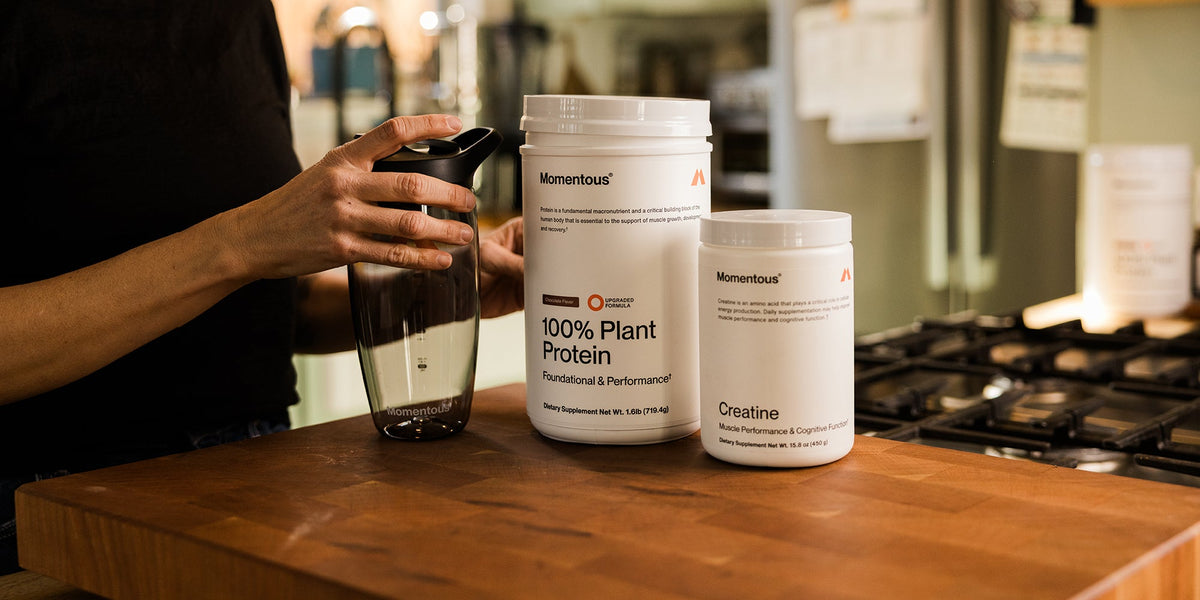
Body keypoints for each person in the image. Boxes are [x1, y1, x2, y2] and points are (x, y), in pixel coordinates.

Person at [0, 1, 524, 574]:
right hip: (50, 506)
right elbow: (241, 255)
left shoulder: (240, 17)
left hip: (259, 472)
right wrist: (243, 242)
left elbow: (265, 308)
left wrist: (437, 283)